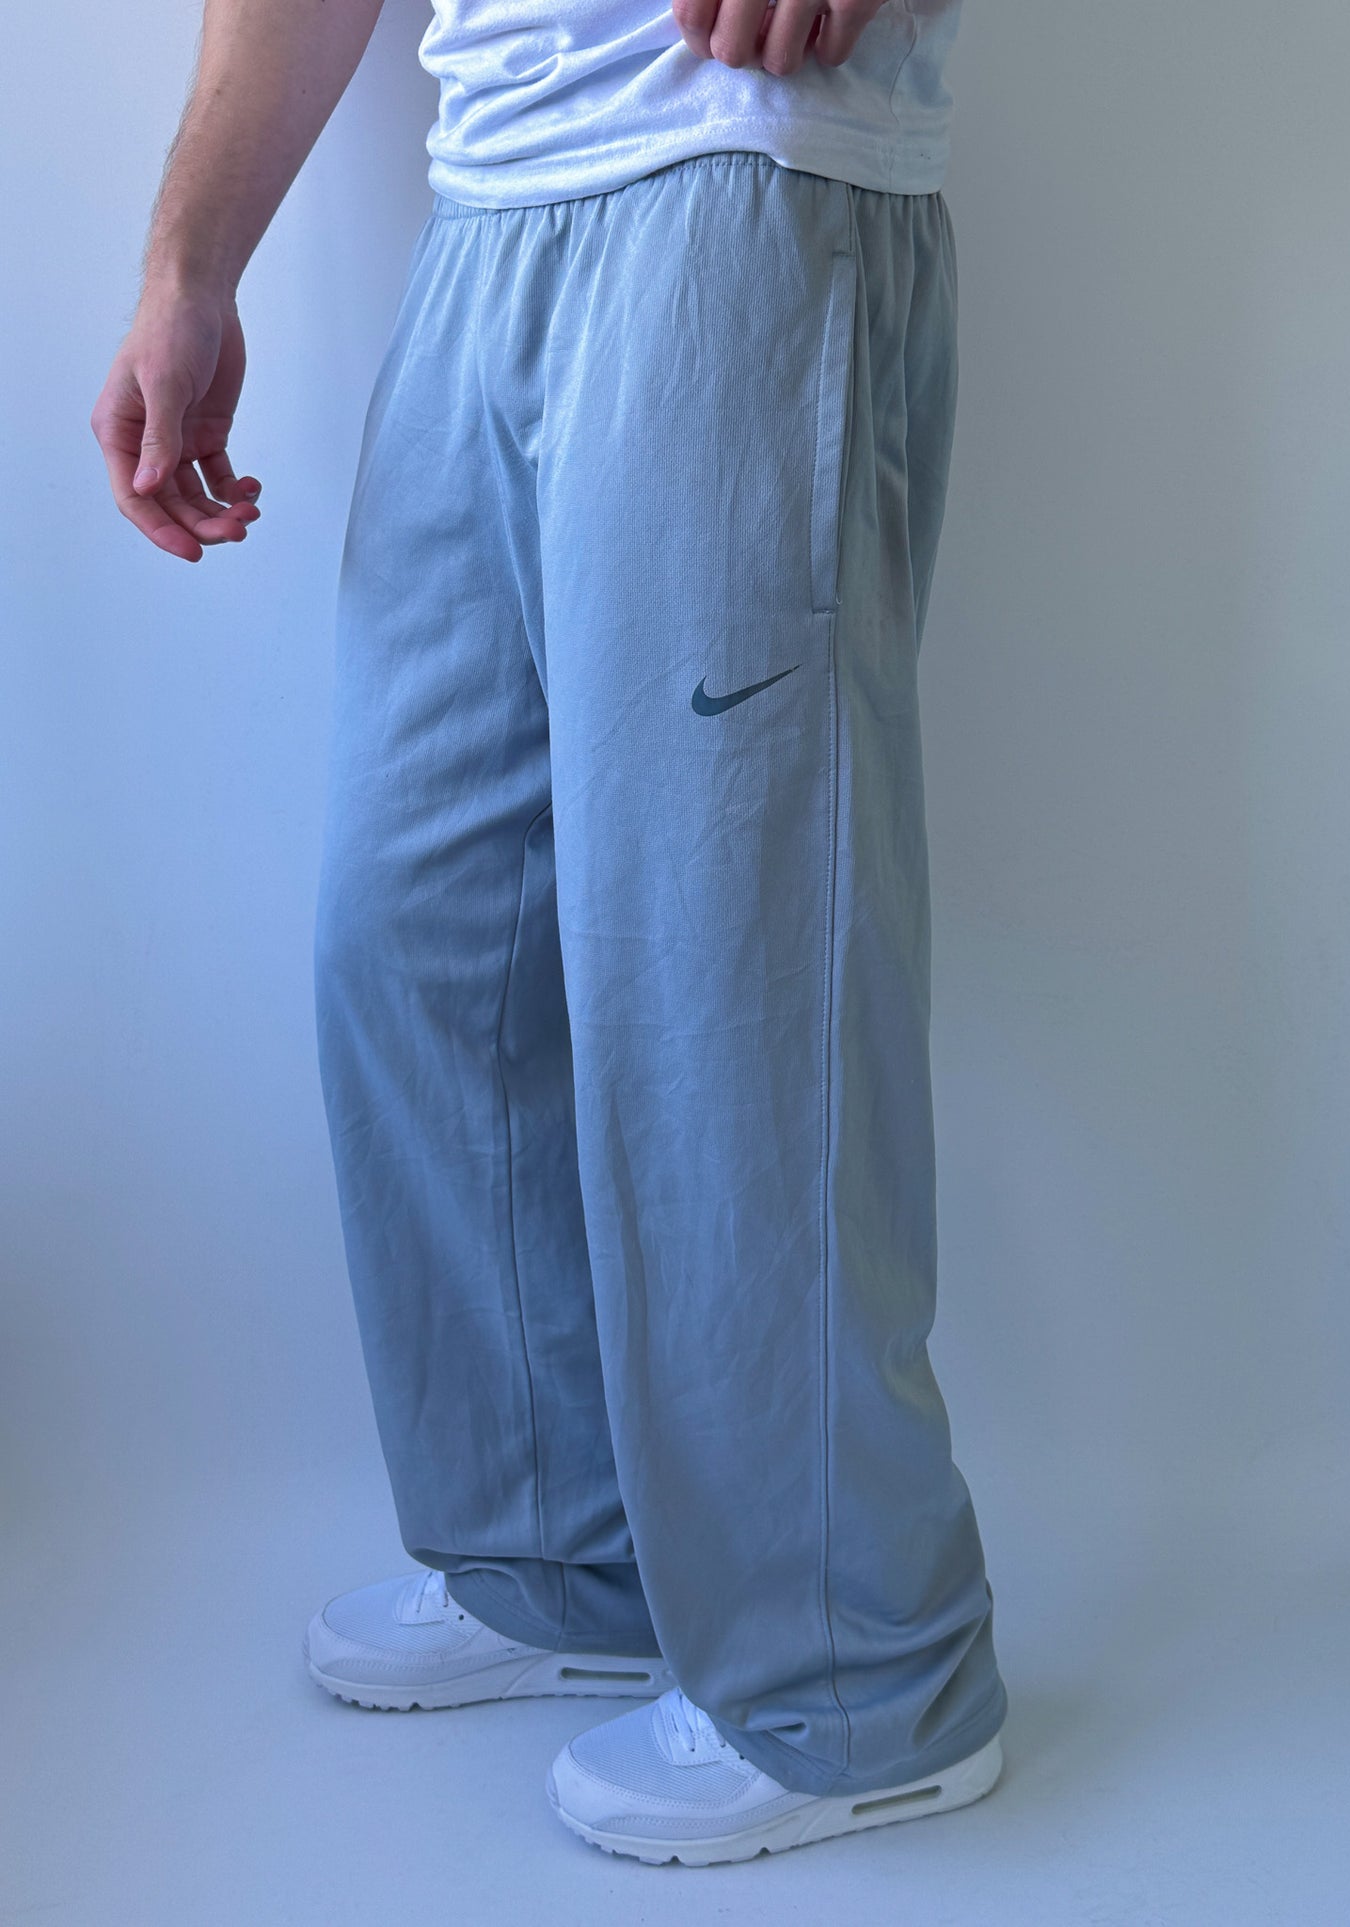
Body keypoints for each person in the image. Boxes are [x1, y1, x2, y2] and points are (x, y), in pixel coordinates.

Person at [91, 0, 1010, 1867]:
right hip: (488, 210)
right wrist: (189, 263)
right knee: (421, 940)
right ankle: (559, 1554)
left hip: (741, 166)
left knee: (725, 978)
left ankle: (860, 1678)